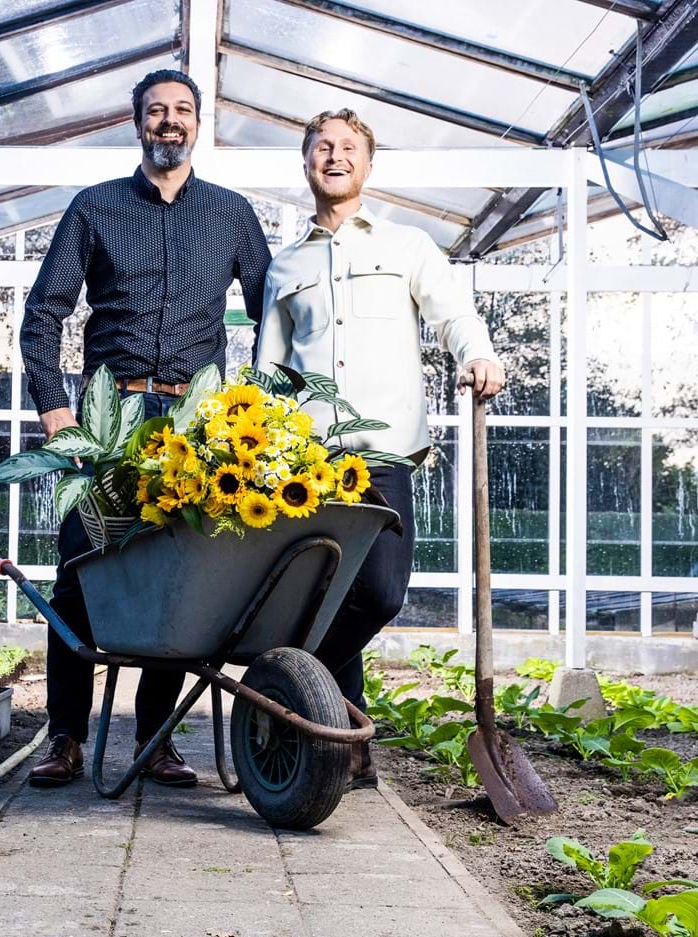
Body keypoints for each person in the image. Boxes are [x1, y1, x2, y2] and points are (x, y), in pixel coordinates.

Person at [20, 68, 272, 787]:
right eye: (156, 110)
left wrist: (264, 411)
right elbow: (43, 314)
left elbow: (275, 314)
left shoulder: (231, 214)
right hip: (111, 420)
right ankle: (66, 735)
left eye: (182, 110)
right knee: (81, 570)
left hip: (197, 425)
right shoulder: (95, 207)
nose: (169, 121)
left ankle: (158, 739)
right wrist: (54, 406)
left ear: (198, 124)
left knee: (181, 581)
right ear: (137, 124)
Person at [255, 108, 505, 789]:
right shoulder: (286, 266)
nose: (334, 156)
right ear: (306, 161)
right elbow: (268, 371)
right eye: (322, 147)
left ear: (367, 164)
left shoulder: (408, 247)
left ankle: (291, 687)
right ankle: (348, 748)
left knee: (380, 592)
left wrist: (478, 354)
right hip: (307, 466)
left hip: (382, 454)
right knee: (322, 595)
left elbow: (454, 313)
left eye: (348, 147)